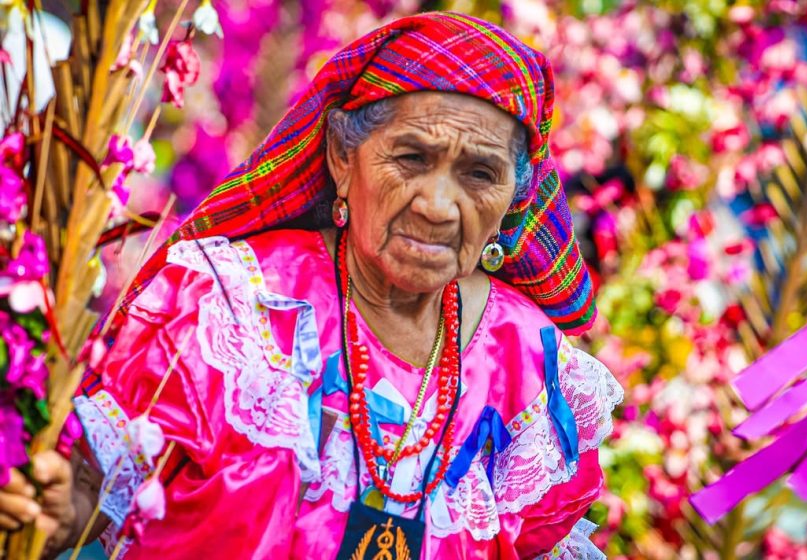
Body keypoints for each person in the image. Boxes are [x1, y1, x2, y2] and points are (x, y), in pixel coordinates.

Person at [0, 12, 623, 560]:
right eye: (411, 158)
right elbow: (94, 497)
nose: (438, 205)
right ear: (341, 159)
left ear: (512, 199)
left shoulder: (533, 375)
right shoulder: (227, 306)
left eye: (479, 173)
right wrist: (56, 512)